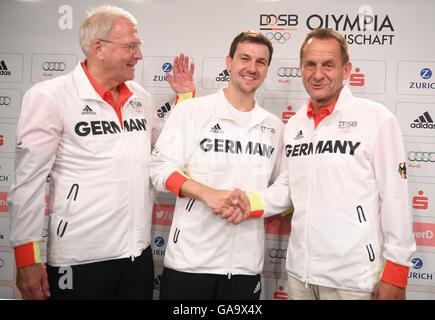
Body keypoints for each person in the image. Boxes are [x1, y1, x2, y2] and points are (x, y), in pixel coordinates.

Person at [7, 5, 195, 300]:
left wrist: (184, 99)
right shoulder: (50, 97)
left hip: (138, 256)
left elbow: (167, 148)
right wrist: (26, 258)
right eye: (131, 46)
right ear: (99, 48)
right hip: (79, 261)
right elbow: (28, 183)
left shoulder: (140, 98)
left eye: (139, 46)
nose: (139, 55)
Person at [221, 28, 416, 300]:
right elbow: (289, 186)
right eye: (310, 64)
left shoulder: (376, 119)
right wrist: (249, 203)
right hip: (300, 277)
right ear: (301, 68)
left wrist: (397, 272)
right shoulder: (295, 124)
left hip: (354, 280)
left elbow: (395, 197)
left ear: (346, 70)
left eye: (328, 65)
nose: (318, 74)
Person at [149, 30, 285, 300]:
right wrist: (206, 193)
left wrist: (253, 204)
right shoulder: (192, 110)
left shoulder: (274, 126)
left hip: (245, 267)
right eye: (244, 58)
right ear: (229, 62)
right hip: (189, 262)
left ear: (267, 69)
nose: (252, 68)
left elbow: (287, 185)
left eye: (261, 62)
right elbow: (159, 167)